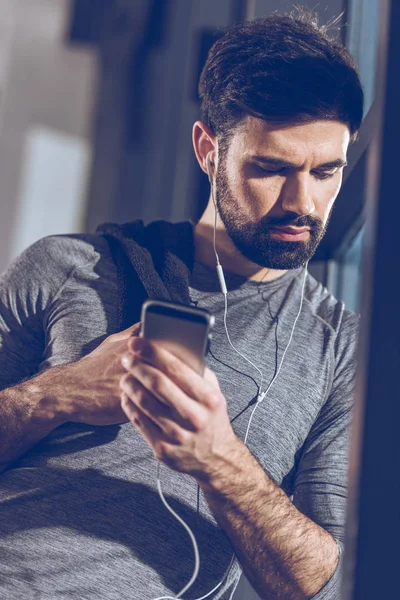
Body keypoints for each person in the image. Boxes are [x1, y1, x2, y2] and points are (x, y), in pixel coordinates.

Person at [0, 10, 363, 600]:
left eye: (327, 172)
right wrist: (55, 393)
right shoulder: (68, 266)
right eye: (271, 168)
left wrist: (219, 460)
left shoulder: (342, 352)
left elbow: (321, 586)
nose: (304, 202)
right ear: (207, 149)